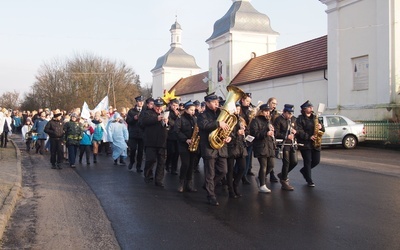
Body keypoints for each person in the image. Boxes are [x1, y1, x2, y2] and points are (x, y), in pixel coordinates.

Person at [197, 93, 231, 206]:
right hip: (208, 147)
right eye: (213, 102)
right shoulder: (202, 115)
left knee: (223, 171)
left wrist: (228, 136)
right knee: (210, 173)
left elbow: (228, 128)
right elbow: (204, 126)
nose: (217, 103)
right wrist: (218, 123)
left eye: (217, 101)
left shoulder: (222, 114)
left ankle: (208, 185)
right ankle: (211, 195)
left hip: (221, 147)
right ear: (207, 103)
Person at [296, 100, 325, 187]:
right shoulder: (300, 119)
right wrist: (308, 136)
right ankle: (309, 180)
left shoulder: (315, 117)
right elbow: (299, 131)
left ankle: (304, 171)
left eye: (311, 106)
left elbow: (322, 129)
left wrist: (321, 127)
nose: (311, 108)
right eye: (309, 107)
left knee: (316, 161)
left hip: (315, 143)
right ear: (304, 109)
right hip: (305, 143)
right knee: (307, 161)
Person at [141, 98, 169, 187]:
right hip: (151, 141)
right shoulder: (148, 113)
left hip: (162, 142)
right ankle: (148, 175)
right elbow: (144, 121)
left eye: (160, 106)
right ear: (154, 106)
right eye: (157, 106)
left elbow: (173, 124)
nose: (159, 108)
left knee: (161, 161)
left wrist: (168, 121)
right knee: (151, 160)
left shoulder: (166, 113)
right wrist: (156, 118)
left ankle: (159, 180)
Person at [249, 104, 275, 193]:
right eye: (266, 111)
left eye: (269, 111)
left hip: (269, 145)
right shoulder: (255, 121)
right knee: (263, 166)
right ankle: (262, 185)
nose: (268, 113)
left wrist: (272, 131)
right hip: (260, 146)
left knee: (271, 165)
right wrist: (266, 133)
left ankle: (260, 178)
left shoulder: (269, 121)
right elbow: (254, 133)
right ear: (261, 111)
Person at [175, 100, 198, 193]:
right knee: (185, 164)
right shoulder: (180, 119)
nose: (193, 112)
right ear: (186, 110)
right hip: (183, 144)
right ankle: (181, 183)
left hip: (193, 144)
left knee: (191, 165)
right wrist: (186, 139)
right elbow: (176, 131)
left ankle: (189, 184)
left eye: (194, 110)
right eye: (191, 110)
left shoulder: (195, 119)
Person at [274, 104, 298, 191]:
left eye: (291, 113)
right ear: (284, 112)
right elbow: (276, 133)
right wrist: (286, 136)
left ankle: (282, 174)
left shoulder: (293, 119)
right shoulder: (279, 120)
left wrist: (296, 131)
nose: (290, 115)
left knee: (295, 162)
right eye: (289, 113)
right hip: (284, 144)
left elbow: (297, 128)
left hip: (292, 143)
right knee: (286, 162)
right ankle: (284, 181)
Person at [226, 102, 247, 198]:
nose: (237, 111)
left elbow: (248, 131)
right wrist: (236, 134)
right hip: (231, 146)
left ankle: (236, 184)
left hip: (240, 146)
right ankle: (230, 189)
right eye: (236, 109)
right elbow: (226, 133)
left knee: (242, 167)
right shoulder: (228, 119)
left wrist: (244, 131)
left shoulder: (240, 119)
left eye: (239, 109)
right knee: (230, 170)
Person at [126, 95, 146, 172]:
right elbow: (128, 121)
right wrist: (133, 119)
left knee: (140, 151)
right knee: (133, 149)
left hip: (142, 134)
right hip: (133, 133)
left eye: (142, 101)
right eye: (139, 101)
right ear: (137, 102)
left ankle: (139, 166)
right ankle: (131, 161)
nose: (141, 103)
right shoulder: (131, 111)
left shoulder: (145, 111)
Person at [238, 93, 253, 184]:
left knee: (247, 157)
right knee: (241, 158)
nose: (248, 103)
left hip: (249, 136)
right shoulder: (239, 110)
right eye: (247, 101)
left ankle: (244, 175)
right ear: (242, 100)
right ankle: (238, 174)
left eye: (249, 102)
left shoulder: (249, 110)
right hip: (241, 136)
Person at [165, 98, 180, 175]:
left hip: (177, 136)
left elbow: (181, 123)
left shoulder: (179, 113)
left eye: (176, 105)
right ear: (170, 105)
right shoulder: (168, 113)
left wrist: (178, 116)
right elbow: (170, 122)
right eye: (173, 105)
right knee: (171, 151)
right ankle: (168, 164)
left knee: (177, 152)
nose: (175, 107)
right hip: (170, 135)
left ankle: (174, 168)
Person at [267, 97, 280, 182]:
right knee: (267, 157)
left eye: (275, 104)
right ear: (269, 103)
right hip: (266, 135)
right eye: (273, 103)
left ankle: (270, 173)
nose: (274, 105)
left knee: (272, 156)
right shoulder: (265, 111)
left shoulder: (276, 113)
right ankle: (269, 173)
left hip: (273, 136)